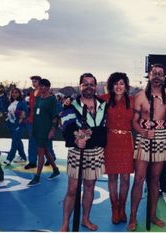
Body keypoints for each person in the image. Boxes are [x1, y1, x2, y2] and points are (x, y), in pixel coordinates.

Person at [127, 64, 166, 230]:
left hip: (161, 138)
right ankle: (132, 217)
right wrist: (143, 132)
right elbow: (134, 121)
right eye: (154, 73)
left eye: (160, 74)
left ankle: (152, 215)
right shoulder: (140, 96)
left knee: (155, 180)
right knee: (139, 179)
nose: (157, 76)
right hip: (143, 137)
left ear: (164, 77)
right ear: (149, 75)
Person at [59, 73, 107, 231]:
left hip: (94, 152)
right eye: (85, 84)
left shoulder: (102, 104)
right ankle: (65, 223)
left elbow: (102, 129)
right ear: (80, 86)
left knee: (89, 187)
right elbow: (67, 126)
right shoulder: (71, 105)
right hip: (77, 151)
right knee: (72, 189)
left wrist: (90, 138)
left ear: (96, 86)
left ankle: (85, 219)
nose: (89, 86)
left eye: (91, 84)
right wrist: (76, 139)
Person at [99, 72, 134, 224]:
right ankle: (114, 209)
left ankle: (122, 208)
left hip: (126, 141)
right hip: (110, 141)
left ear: (126, 86)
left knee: (125, 178)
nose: (119, 86)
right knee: (112, 176)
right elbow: (86, 104)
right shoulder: (103, 100)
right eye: (116, 84)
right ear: (111, 86)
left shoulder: (132, 101)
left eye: (121, 83)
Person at [27, 78, 60, 186]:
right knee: (45, 150)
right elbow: (35, 112)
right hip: (37, 128)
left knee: (40, 152)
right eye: (40, 86)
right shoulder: (38, 98)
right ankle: (55, 170)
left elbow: (55, 116)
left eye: (43, 86)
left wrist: (53, 129)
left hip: (46, 129)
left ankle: (37, 177)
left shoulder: (52, 99)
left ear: (48, 87)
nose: (41, 87)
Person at [24, 76, 56, 169]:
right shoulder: (32, 93)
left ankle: (51, 157)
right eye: (32, 81)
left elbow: (53, 111)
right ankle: (32, 161)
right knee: (32, 141)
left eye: (36, 81)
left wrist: (52, 127)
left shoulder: (47, 95)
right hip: (32, 121)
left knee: (46, 142)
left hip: (43, 122)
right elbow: (31, 108)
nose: (34, 83)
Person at [3, 87, 28, 165]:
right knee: (17, 141)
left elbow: (25, 114)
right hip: (11, 124)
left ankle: (9, 158)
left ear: (19, 94)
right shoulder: (11, 102)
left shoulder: (22, 103)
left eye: (16, 92)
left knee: (14, 142)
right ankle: (23, 156)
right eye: (13, 92)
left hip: (19, 125)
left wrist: (17, 112)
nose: (14, 94)